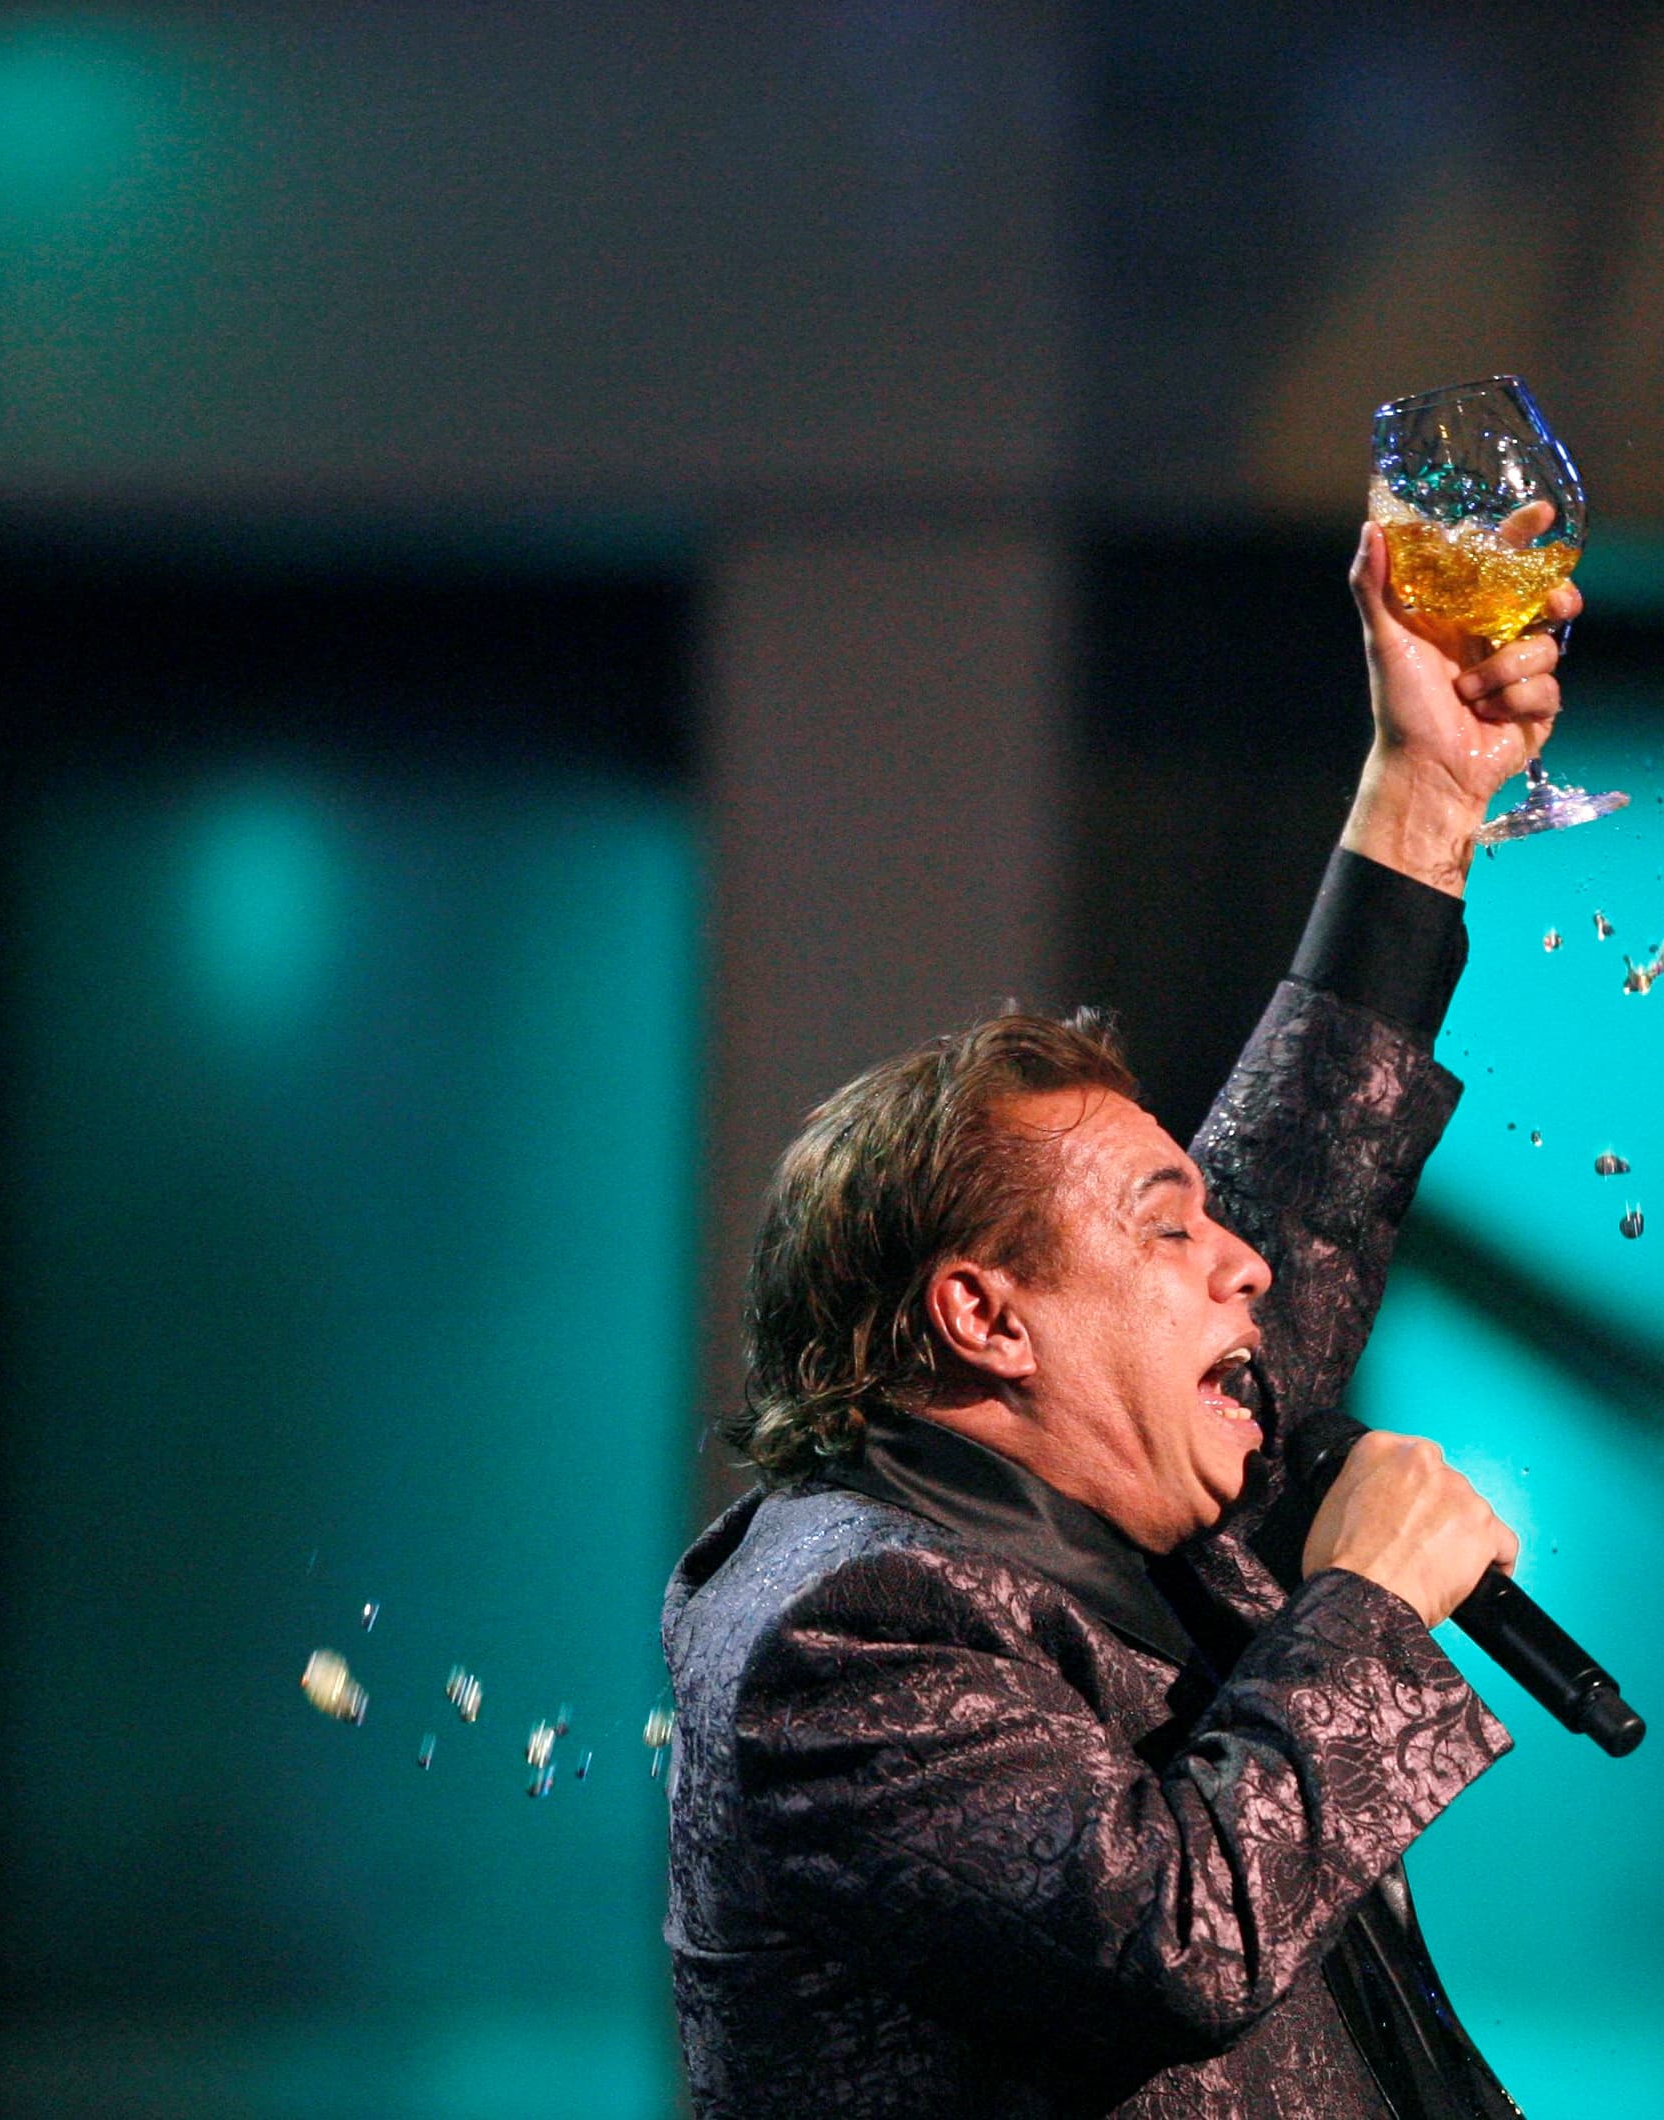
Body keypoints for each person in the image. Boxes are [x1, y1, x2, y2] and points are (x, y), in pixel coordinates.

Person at [662, 520, 1587, 2119]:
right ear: (985, 1316)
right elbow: (1169, 1932)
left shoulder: (1138, 1505)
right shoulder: (842, 1632)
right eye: (1168, 1231)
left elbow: (1307, 1162)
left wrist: (1430, 792)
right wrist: (1362, 1600)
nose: (1241, 1270)